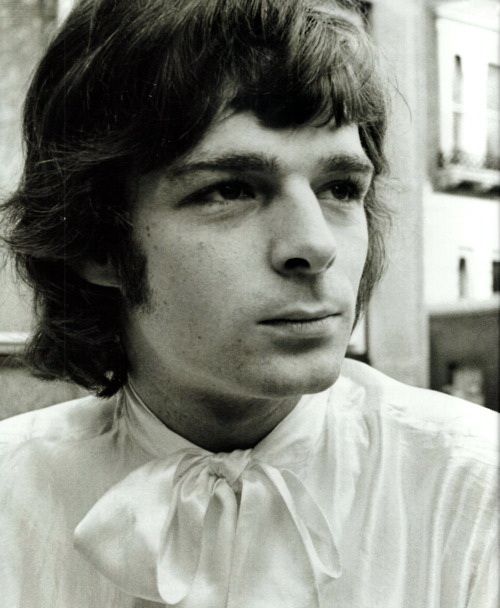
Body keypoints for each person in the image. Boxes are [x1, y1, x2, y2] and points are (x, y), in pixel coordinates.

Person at [0, 0, 497, 606]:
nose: (314, 245)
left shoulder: (474, 486)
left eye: (341, 188)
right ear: (97, 241)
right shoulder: (14, 493)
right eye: (229, 190)